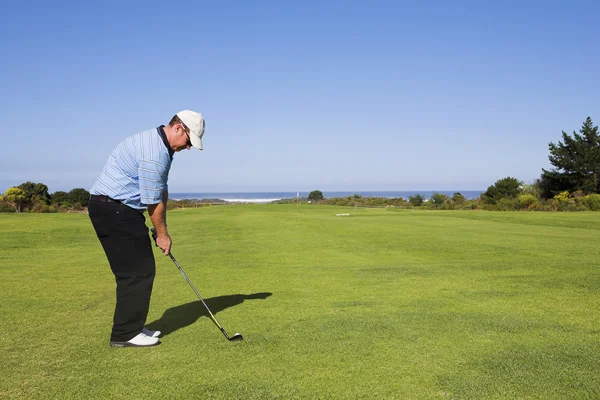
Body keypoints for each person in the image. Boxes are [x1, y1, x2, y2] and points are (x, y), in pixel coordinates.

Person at [88, 110, 205, 348]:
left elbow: (160, 190)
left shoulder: (160, 144)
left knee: (140, 269)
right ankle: (125, 334)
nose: (189, 147)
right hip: (114, 210)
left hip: (120, 210)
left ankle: (132, 326)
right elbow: (154, 202)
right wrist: (162, 234)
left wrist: (158, 229)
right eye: (189, 141)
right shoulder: (155, 153)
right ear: (178, 128)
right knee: (136, 272)